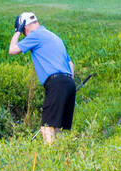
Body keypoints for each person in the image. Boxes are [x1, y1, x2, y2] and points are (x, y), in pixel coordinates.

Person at [8, 11, 75, 144]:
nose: (23, 35)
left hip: (56, 83)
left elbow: (12, 50)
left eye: (23, 32)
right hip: (68, 83)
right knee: (57, 128)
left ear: (25, 27)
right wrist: (67, 86)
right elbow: (70, 64)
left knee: (47, 127)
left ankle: (50, 159)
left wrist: (16, 31)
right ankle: (61, 157)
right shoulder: (54, 36)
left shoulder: (35, 35)